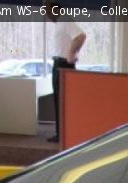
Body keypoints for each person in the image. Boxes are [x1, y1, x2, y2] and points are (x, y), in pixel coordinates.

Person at [46, 0, 86, 143]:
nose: (47, 15)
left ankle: (63, 134)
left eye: (47, 11)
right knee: (58, 99)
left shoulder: (65, 19)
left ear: (54, 8)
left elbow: (81, 36)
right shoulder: (60, 22)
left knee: (62, 100)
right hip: (59, 63)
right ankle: (61, 133)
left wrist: (71, 53)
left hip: (63, 64)